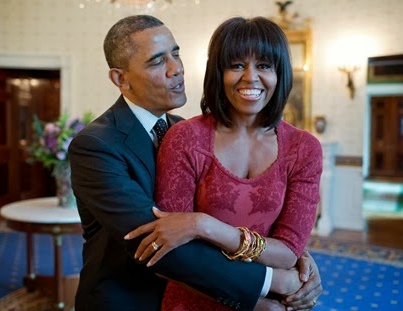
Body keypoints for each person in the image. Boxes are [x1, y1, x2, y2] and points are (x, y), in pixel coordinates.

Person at [69, 14, 322, 311]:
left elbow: (246, 224)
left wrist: (296, 255)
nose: (176, 69)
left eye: (175, 54)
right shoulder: (96, 145)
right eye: (157, 61)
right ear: (120, 78)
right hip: (131, 299)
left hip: (200, 291)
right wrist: (271, 282)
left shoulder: (182, 130)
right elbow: (161, 240)